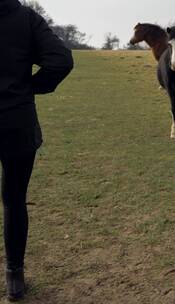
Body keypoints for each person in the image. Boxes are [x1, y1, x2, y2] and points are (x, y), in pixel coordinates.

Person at [0, 0, 73, 301]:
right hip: (17, 120)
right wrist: (30, 87)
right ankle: (14, 276)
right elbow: (61, 60)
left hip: (17, 120)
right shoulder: (26, 18)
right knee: (14, 200)